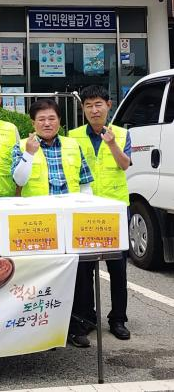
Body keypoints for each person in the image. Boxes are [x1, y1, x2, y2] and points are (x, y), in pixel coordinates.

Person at [10, 98, 95, 348]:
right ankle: (42, 327)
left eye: (51, 118)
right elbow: (19, 180)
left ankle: (77, 324)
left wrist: (86, 214)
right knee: (42, 275)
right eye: (41, 119)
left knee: (78, 274)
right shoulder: (22, 145)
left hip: (70, 220)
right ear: (33, 122)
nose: (47, 123)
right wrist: (29, 153)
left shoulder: (72, 145)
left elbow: (85, 183)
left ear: (59, 121)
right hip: (37, 223)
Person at [69, 85, 132, 342]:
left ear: (108, 105)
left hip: (115, 208)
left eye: (98, 104)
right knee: (84, 269)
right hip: (83, 209)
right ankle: (87, 317)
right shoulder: (72, 136)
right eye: (88, 105)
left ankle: (118, 319)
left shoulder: (122, 134)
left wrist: (113, 144)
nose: (94, 110)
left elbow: (125, 165)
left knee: (117, 267)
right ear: (82, 109)